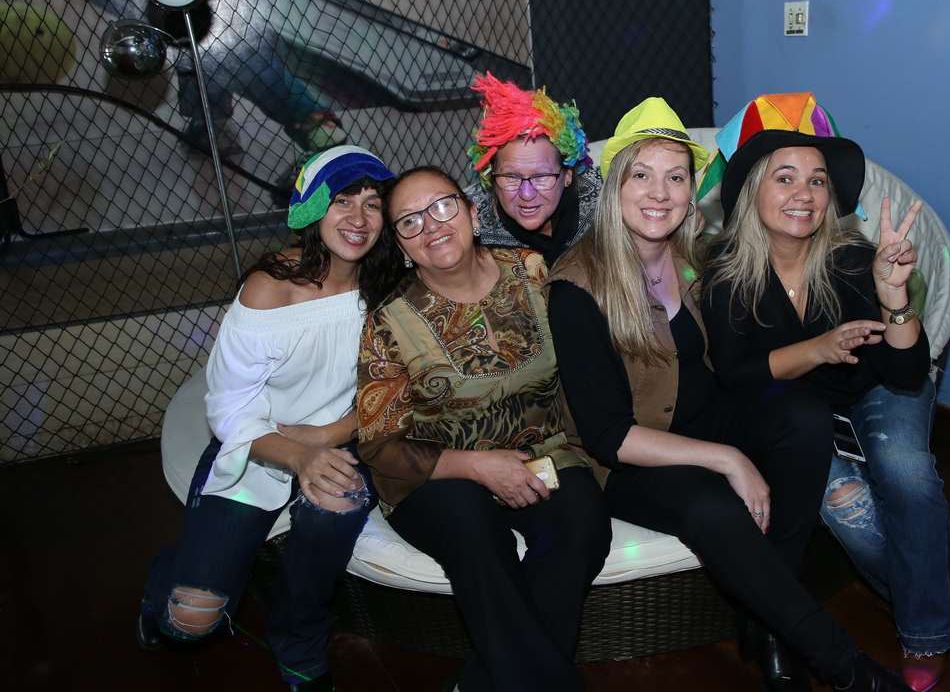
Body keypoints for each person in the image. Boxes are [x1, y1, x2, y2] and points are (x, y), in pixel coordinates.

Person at [546, 97, 909, 692]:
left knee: (804, 415)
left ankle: (768, 624)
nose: (659, 192)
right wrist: (728, 458)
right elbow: (608, 436)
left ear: (693, 192)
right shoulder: (576, 287)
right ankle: (845, 666)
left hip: (702, 417)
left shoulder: (689, 258)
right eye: (641, 175)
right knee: (711, 505)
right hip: (631, 456)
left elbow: (736, 354)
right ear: (613, 188)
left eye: (675, 177)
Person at [702, 97, 950, 692]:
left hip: (878, 386)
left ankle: (926, 635)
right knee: (846, 506)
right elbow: (736, 375)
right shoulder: (724, 273)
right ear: (751, 190)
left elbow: (906, 372)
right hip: (800, 413)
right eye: (786, 177)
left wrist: (893, 294)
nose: (804, 193)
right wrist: (820, 348)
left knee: (905, 468)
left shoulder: (854, 259)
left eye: (817, 180)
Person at [137, 146, 398, 692]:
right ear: (312, 207)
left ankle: (299, 641)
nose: (358, 218)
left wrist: (328, 436)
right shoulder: (270, 284)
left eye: (373, 204)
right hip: (257, 443)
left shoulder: (388, 281)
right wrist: (298, 454)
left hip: (346, 436)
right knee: (190, 621)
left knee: (337, 502)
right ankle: (169, 576)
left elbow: (399, 384)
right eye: (343, 200)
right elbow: (228, 409)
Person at [356, 166, 611, 692]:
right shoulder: (388, 321)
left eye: (442, 206)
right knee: (475, 530)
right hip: (437, 474)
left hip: (544, 451)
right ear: (402, 246)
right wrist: (476, 467)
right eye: (410, 221)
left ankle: (479, 683)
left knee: (581, 525)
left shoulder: (534, 271)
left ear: (473, 214)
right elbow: (379, 445)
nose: (431, 225)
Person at [462, 72, 596, 266]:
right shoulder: (469, 224)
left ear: (568, 174)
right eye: (511, 176)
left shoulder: (604, 201)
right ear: (491, 176)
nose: (526, 194)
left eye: (541, 176)